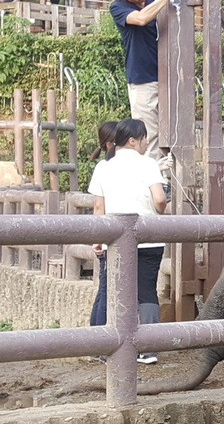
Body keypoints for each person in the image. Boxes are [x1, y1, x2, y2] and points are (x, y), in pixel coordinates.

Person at [87, 118, 168, 364]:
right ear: (132, 140)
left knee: (113, 290)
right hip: (148, 239)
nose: (145, 144)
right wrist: (158, 210)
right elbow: (160, 200)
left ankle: (106, 345)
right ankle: (148, 349)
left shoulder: (103, 167)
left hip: (114, 239)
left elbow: (99, 206)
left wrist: (98, 238)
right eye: (143, 139)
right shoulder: (148, 164)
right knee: (146, 292)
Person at [109, 0, 182, 160]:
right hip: (142, 80)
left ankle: (171, 181)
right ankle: (153, 187)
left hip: (167, 76)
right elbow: (141, 19)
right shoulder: (118, 7)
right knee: (147, 136)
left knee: (175, 131)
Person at [88, 121, 118, 331]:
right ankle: (100, 337)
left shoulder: (105, 167)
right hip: (110, 236)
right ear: (110, 144)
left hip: (108, 235)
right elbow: (99, 206)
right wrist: (98, 237)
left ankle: (95, 334)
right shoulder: (106, 167)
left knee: (105, 288)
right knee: (107, 289)